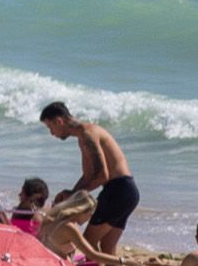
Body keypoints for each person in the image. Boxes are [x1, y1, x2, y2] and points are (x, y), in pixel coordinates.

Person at [39, 99, 138, 250]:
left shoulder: (87, 134)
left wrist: (72, 196)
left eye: (50, 127)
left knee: (88, 243)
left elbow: (101, 176)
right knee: (107, 246)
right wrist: (70, 194)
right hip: (127, 190)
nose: (52, 133)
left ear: (59, 121)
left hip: (117, 191)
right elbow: (89, 175)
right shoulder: (84, 135)